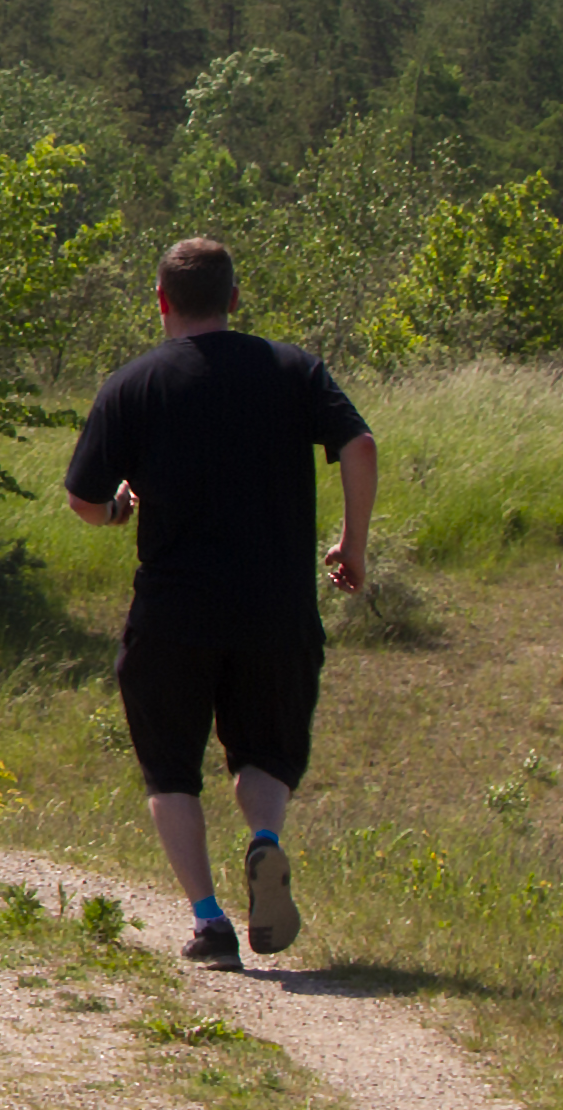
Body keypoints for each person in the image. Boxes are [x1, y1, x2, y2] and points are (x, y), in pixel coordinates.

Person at [60, 235, 376, 968]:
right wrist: (352, 545)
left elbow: (81, 497)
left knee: (171, 769)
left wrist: (117, 512)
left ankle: (210, 923)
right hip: (275, 608)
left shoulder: (134, 385)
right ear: (235, 299)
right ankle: (264, 842)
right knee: (263, 753)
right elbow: (358, 445)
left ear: (162, 301)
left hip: (174, 613)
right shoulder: (293, 370)